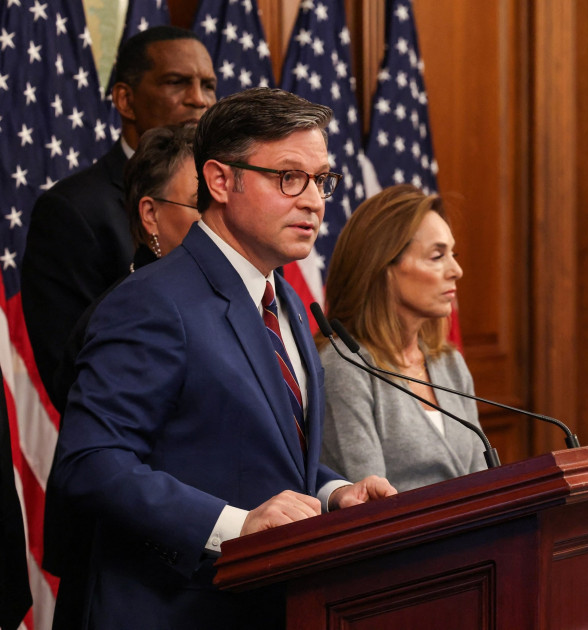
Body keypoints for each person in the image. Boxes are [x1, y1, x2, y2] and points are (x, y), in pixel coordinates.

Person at [49, 88, 395, 629]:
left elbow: (257, 443)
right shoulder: (153, 301)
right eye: (288, 177)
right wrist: (235, 526)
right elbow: (91, 463)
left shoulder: (284, 302)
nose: (313, 200)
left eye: (321, 179)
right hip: (176, 609)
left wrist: (331, 493)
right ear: (219, 181)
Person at [22, 26, 216, 399]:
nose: (199, 100)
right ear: (125, 100)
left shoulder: (233, 200)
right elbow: (71, 373)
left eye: (208, 85)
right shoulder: (70, 211)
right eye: (177, 82)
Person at [318, 184, 486, 492]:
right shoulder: (345, 367)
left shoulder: (449, 362)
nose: (457, 270)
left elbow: (484, 478)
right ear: (384, 267)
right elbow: (369, 504)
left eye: (453, 254)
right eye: (437, 256)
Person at [49, 123, 201, 413]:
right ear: (150, 214)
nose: (216, 220)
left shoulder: (230, 296)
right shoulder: (128, 316)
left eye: (222, 203)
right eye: (200, 203)